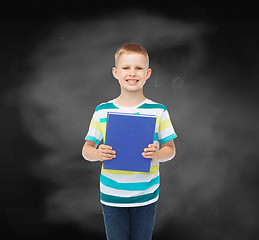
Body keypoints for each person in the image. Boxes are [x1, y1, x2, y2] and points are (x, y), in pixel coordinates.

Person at [82, 42, 177, 240]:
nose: (132, 73)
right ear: (115, 72)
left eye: (138, 68)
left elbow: (170, 149)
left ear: (148, 74)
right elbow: (86, 150)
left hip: (146, 195)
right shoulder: (102, 110)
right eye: (126, 68)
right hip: (112, 196)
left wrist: (157, 155)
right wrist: (98, 153)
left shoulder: (159, 110)